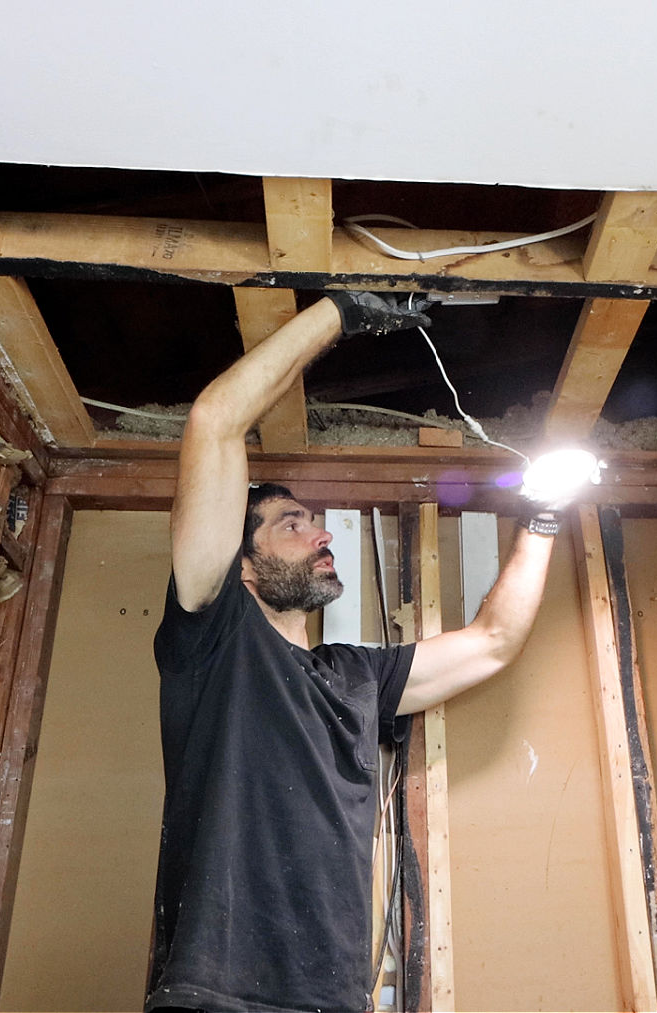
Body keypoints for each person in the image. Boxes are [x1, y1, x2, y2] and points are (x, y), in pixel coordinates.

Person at [147, 293, 564, 1012]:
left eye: (319, 524)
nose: (322, 535)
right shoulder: (216, 636)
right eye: (292, 524)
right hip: (215, 993)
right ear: (243, 563)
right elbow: (214, 422)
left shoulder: (357, 675)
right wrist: (342, 310)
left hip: (331, 996)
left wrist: (546, 519)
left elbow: (494, 643)